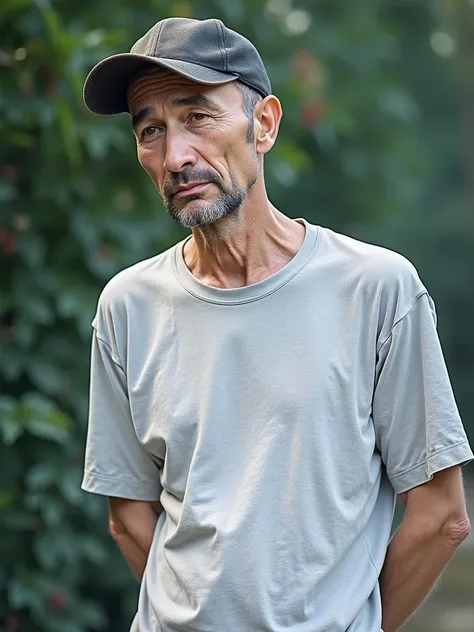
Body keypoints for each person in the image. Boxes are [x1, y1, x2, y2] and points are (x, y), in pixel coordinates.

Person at [81, 16, 473, 632]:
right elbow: (128, 517)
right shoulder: (126, 305)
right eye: (150, 130)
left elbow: (441, 517)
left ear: (263, 124)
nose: (175, 155)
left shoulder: (375, 289)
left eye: (198, 117)